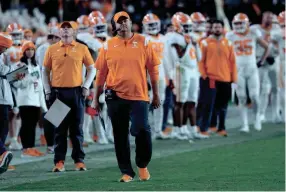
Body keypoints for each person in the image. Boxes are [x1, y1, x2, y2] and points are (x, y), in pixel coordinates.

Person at [94, 11, 161, 182]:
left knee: (142, 129)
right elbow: (101, 74)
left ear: (131, 23)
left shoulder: (144, 42)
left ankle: (142, 164)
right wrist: (95, 98)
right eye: (119, 22)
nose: (123, 24)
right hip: (115, 96)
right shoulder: (108, 46)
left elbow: (153, 70)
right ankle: (126, 171)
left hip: (139, 94)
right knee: (120, 134)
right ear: (114, 26)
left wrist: (156, 94)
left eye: (126, 21)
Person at [42, 21, 96, 172]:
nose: (65, 31)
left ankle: (79, 160)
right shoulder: (52, 49)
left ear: (74, 32)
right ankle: (59, 161)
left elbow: (92, 68)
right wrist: (47, 90)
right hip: (58, 92)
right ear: (59, 32)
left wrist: (86, 86)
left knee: (77, 129)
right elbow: (45, 71)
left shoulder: (82, 48)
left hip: (76, 92)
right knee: (59, 129)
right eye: (63, 28)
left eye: (68, 28)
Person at [226, 13, 269, 132]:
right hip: (237, 69)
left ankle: (257, 118)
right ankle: (244, 124)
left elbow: (267, 47)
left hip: (252, 68)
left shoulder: (253, 33)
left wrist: (261, 61)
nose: (239, 25)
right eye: (237, 23)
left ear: (247, 23)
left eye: (241, 23)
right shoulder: (230, 35)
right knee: (241, 97)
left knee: (255, 96)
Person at [197, 19, 237, 137]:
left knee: (223, 105)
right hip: (211, 79)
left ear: (222, 28)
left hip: (225, 79)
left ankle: (221, 128)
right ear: (212, 29)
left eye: (219, 27)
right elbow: (200, 61)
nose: (217, 29)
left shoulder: (228, 43)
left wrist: (234, 79)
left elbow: (233, 62)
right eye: (215, 27)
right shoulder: (205, 42)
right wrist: (204, 75)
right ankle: (204, 128)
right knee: (209, 104)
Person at [12, 41, 47, 157]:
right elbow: (15, 83)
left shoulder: (36, 65)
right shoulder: (19, 65)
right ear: (24, 51)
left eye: (32, 49)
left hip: (35, 100)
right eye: (28, 49)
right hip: (24, 99)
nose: (30, 52)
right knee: (26, 124)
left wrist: (42, 103)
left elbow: (40, 85)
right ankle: (25, 149)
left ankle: (31, 147)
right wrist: (29, 79)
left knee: (32, 125)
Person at [250, 11, 282, 123]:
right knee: (263, 89)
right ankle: (260, 114)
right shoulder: (254, 29)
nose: (269, 19)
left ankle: (275, 114)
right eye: (267, 17)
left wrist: (276, 54)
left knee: (276, 89)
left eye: (271, 17)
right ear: (262, 17)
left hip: (274, 60)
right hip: (260, 61)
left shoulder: (277, 30)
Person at [0, 33, 24, 174]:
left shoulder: (2, 56)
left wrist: (16, 74)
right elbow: (2, 71)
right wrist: (16, 71)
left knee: (3, 131)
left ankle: (1, 157)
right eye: (4, 47)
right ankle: (2, 152)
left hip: (5, 98)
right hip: (2, 98)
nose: (5, 50)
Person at [35, 24, 61, 153]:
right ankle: (52, 143)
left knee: (52, 115)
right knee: (52, 116)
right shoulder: (50, 49)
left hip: (48, 85)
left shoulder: (41, 48)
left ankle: (52, 143)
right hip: (52, 85)